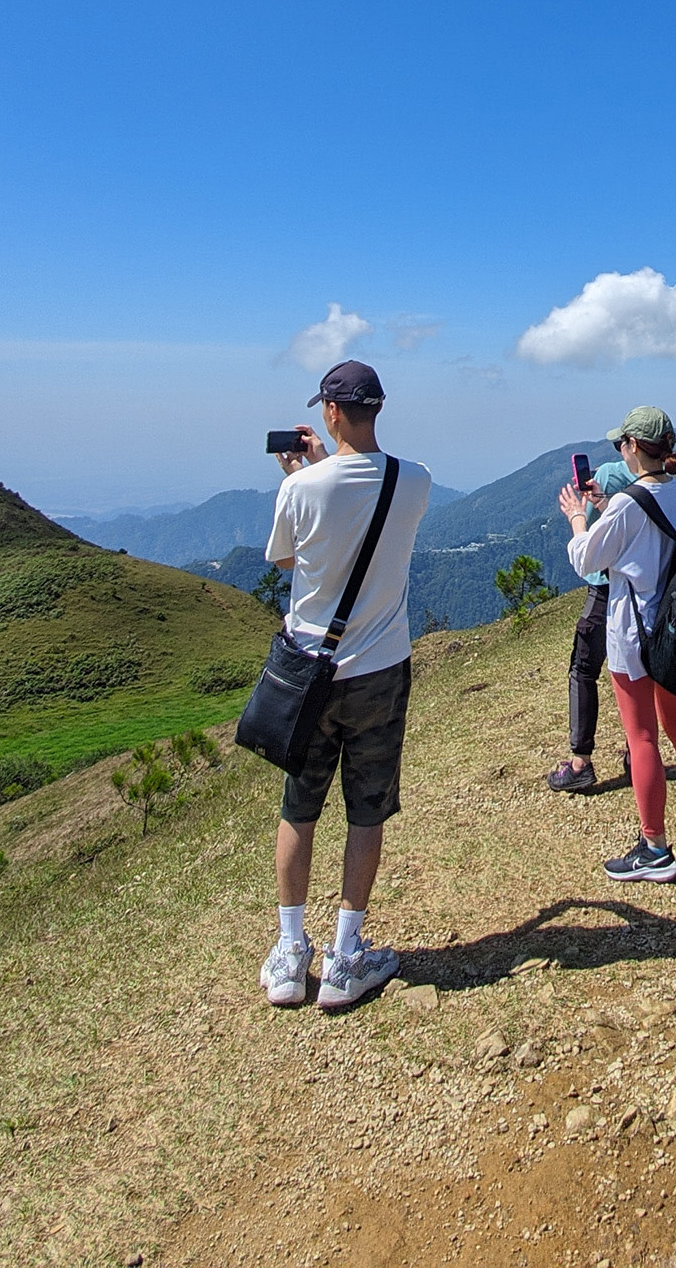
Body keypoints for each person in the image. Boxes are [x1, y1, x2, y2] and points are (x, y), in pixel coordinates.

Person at [258, 359, 434, 1013]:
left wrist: (299, 474)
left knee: (299, 808)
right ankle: (347, 953)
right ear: (377, 410)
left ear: (330, 413)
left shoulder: (299, 490)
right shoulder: (414, 482)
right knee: (367, 810)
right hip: (382, 670)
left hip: (310, 673)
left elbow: (284, 557)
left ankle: (289, 951)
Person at [558, 406, 676, 883]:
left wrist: (578, 517)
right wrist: (602, 507)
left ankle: (655, 848)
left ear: (634, 446)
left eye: (622, 443)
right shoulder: (674, 490)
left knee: (642, 738)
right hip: (673, 632)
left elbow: (585, 558)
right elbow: (643, 538)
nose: (619, 449)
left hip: (633, 637)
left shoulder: (627, 504)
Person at [548, 453, 634, 795]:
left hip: (604, 585)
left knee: (584, 669)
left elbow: (586, 558)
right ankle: (636, 752)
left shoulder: (612, 473)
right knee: (635, 671)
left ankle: (580, 761)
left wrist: (578, 516)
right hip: (642, 590)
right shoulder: (662, 486)